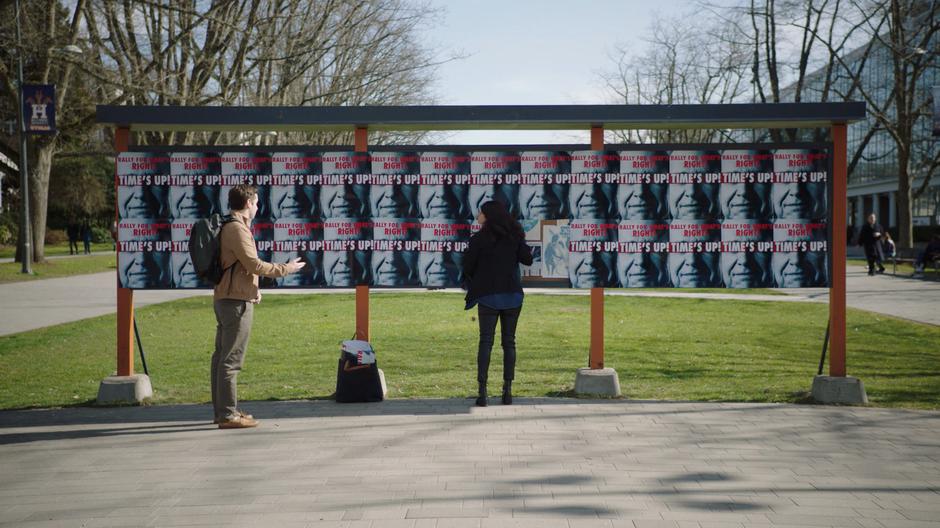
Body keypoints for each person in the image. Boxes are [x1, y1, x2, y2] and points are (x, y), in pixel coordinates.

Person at [212, 184, 305, 429]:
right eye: (255, 203)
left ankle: (223, 411)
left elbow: (238, 266)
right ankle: (228, 415)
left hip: (229, 297)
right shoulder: (237, 229)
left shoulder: (229, 225)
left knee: (222, 357)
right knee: (230, 360)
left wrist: (254, 289)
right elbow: (254, 265)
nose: (258, 206)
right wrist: (287, 269)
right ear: (247, 204)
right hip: (235, 303)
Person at [462, 200, 533, 407]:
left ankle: (482, 392)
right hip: (512, 296)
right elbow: (527, 259)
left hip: (487, 297)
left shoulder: (478, 239)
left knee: (486, 342)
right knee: (509, 342)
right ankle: (507, 391)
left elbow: (468, 265)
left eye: (480, 213)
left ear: (489, 216)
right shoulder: (514, 237)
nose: (478, 216)